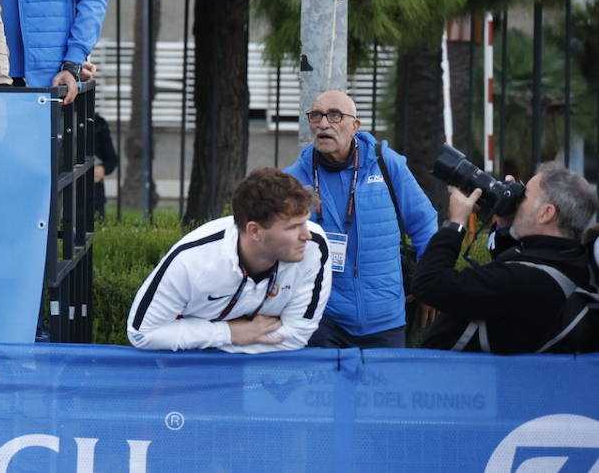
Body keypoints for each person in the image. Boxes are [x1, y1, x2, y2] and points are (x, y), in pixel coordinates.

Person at [283, 90, 437, 348]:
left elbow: (424, 225)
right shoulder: (294, 179)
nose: (323, 124)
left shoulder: (387, 165)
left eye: (335, 116)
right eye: (316, 116)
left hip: (385, 319)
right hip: (322, 319)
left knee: (385, 389)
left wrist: (431, 286)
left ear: (355, 125)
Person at [127, 167, 332, 352]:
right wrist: (228, 333)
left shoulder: (314, 247)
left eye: (305, 222)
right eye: (293, 227)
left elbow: (296, 336)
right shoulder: (191, 260)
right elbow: (141, 333)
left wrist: (211, 343)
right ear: (254, 230)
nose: (306, 235)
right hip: (187, 375)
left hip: (254, 374)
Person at [414, 165, 599, 354]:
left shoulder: (521, 280)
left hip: (458, 375)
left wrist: (456, 223)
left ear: (546, 213)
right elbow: (519, 262)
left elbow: (429, 283)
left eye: (524, 196)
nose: (516, 202)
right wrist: (506, 223)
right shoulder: (573, 261)